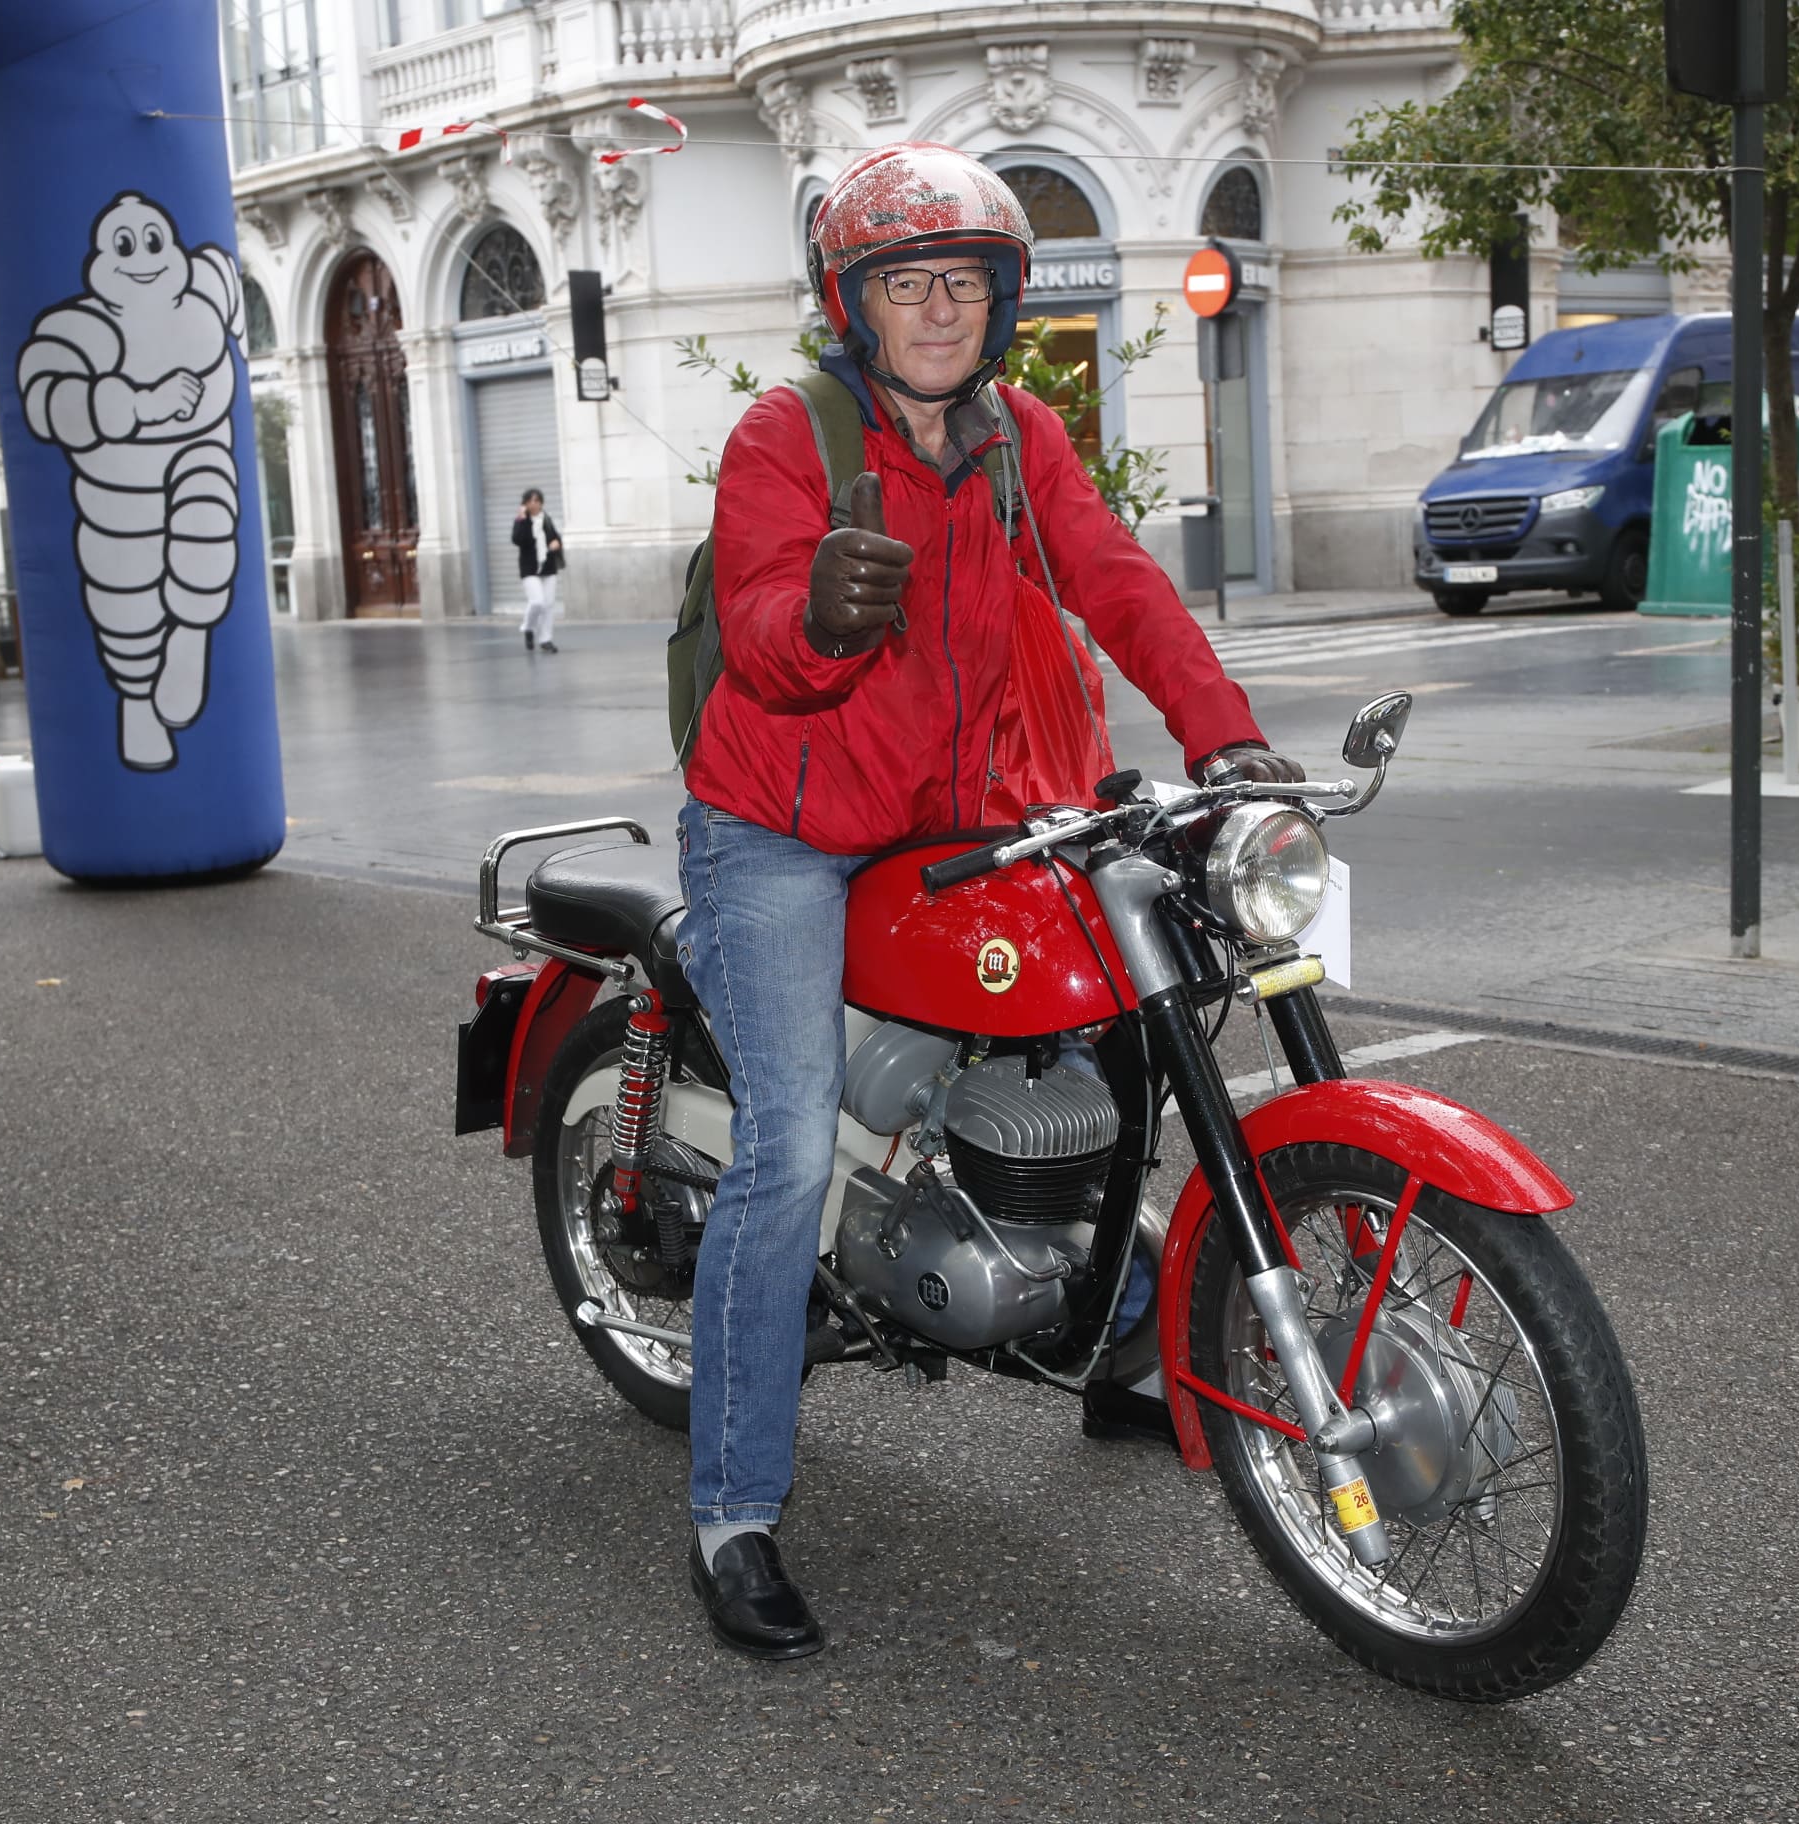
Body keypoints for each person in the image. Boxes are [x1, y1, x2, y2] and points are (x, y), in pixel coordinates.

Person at [670, 142, 1304, 1662]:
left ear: (1004, 298)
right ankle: (733, 1512)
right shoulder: (790, 434)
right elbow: (759, 626)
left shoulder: (1021, 435)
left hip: (963, 815)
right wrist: (818, 613)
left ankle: (1122, 1349)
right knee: (781, 1142)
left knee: (1103, 1034)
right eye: (906, 281)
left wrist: (1220, 732)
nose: (938, 306)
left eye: (963, 279)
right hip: (785, 824)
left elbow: (1116, 580)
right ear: (857, 302)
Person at [512, 489, 564, 651]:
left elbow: (555, 537)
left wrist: (557, 543)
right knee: (537, 602)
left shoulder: (546, 519)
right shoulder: (522, 520)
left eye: (537, 501)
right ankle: (528, 627)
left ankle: (545, 639)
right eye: (531, 501)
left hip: (548, 566)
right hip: (529, 568)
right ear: (525, 503)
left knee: (548, 605)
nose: (534, 504)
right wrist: (523, 518)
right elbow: (518, 540)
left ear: (541, 502)